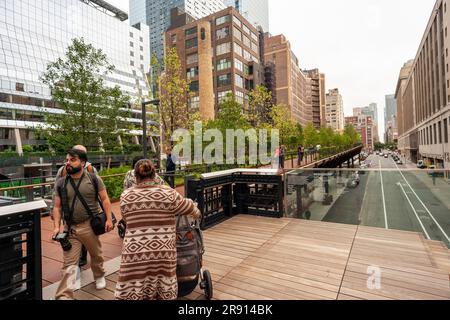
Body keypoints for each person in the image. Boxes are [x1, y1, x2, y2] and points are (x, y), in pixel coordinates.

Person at [115, 159, 201, 300]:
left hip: (135, 253)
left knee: (134, 287)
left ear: (135, 176)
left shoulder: (126, 196)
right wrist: (197, 212)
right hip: (162, 252)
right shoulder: (168, 193)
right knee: (164, 283)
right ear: (155, 175)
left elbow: (126, 220)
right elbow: (191, 209)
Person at [52, 148, 114, 300]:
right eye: (67, 160)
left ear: (83, 162)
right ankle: (64, 296)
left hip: (90, 225)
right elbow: (57, 206)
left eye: (72, 160)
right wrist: (56, 227)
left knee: (96, 255)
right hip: (70, 228)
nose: (68, 163)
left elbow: (105, 199)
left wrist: (109, 219)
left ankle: (99, 275)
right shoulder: (61, 183)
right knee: (69, 264)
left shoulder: (93, 179)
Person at [51, 145, 96, 267]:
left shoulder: (91, 169)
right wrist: (53, 208)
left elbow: (97, 190)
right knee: (70, 238)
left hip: (87, 213)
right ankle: (72, 264)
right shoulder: (63, 170)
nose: (69, 161)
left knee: (88, 239)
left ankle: (82, 256)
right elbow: (56, 190)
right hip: (68, 210)